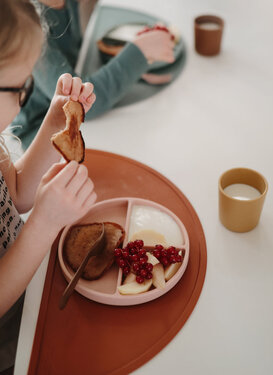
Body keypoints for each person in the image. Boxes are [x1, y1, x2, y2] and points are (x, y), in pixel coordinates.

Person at [0, 1, 98, 373]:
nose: (28, 95)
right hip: (14, 347)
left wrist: (55, 120)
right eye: (19, 88)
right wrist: (43, 225)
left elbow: (20, 190)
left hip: (38, 294)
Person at [12, 0, 175, 149]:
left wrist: (136, 66)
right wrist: (138, 54)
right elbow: (75, 102)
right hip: (38, 132)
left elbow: (75, 61)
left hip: (71, 115)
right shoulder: (26, 22)